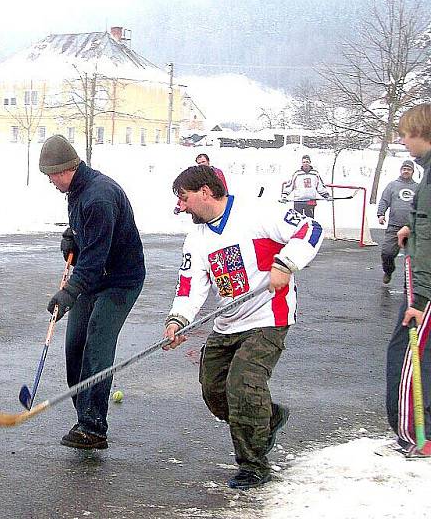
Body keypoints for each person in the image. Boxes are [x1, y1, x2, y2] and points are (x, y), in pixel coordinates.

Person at [163, 165, 324, 489]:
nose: (180, 207)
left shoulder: (258, 213)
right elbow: (189, 287)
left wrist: (285, 263)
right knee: (215, 393)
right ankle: (268, 417)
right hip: (227, 323)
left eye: (184, 198)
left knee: (243, 386)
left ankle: (253, 465)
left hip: (267, 318)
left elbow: (311, 229)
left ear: (205, 191)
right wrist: (178, 320)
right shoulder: (196, 238)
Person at [39, 134, 145, 450]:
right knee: (75, 347)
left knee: (97, 345)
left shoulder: (99, 196)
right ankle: (83, 414)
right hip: (94, 278)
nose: (50, 182)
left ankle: (93, 427)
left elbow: (96, 258)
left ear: (63, 170)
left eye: (50, 176)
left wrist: (68, 293)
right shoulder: (77, 190)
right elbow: (86, 232)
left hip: (120, 280)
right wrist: (72, 236)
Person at [387, 104, 431, 456]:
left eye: (405, 133)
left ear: (421, 132)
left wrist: (419, 301)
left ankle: (417, 436)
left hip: (425, 284)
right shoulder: (427, 173)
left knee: (407, 354)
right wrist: (411, 228)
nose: (402, 141)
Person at [377, 160, 418, 284]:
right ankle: (388, 271)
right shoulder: (392, 185)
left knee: (411, 259)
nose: (406, 171)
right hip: (394, 226)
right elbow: (384, 200)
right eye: (404, 169)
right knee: (387, 253)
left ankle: (408, 285)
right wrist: (381, 214)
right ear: (401, 170)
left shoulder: (418, 187)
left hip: (412, 228)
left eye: (409, 169)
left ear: (412, 172)